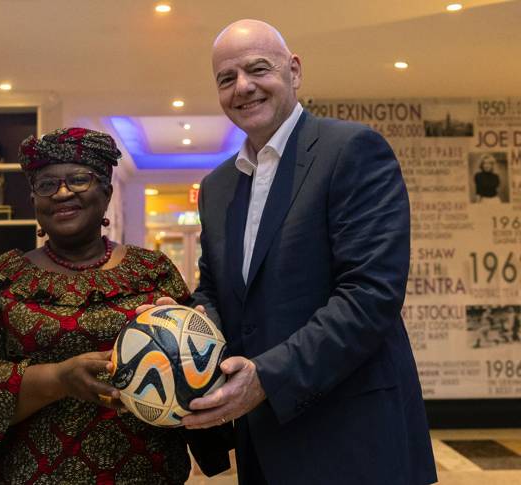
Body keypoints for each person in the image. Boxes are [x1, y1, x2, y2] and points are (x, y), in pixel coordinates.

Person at [177, 19, 436, 485]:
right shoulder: (217, 188)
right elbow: (217, 290)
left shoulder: (353, 150)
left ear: (294, 71)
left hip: (355, 440)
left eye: (258, 69)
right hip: (265, 445)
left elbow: (370, 296)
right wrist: (184, 327)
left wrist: (268, 378)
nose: (243, 87)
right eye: (226, 78)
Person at [0, 128, 230, 484]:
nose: (62, 193)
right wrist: (57, 379)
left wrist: (202, 347)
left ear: (106, 192)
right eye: (46, 184)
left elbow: (197, 367)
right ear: (34, 200)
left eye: (78, 179)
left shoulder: (152, 271)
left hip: (147, 473)